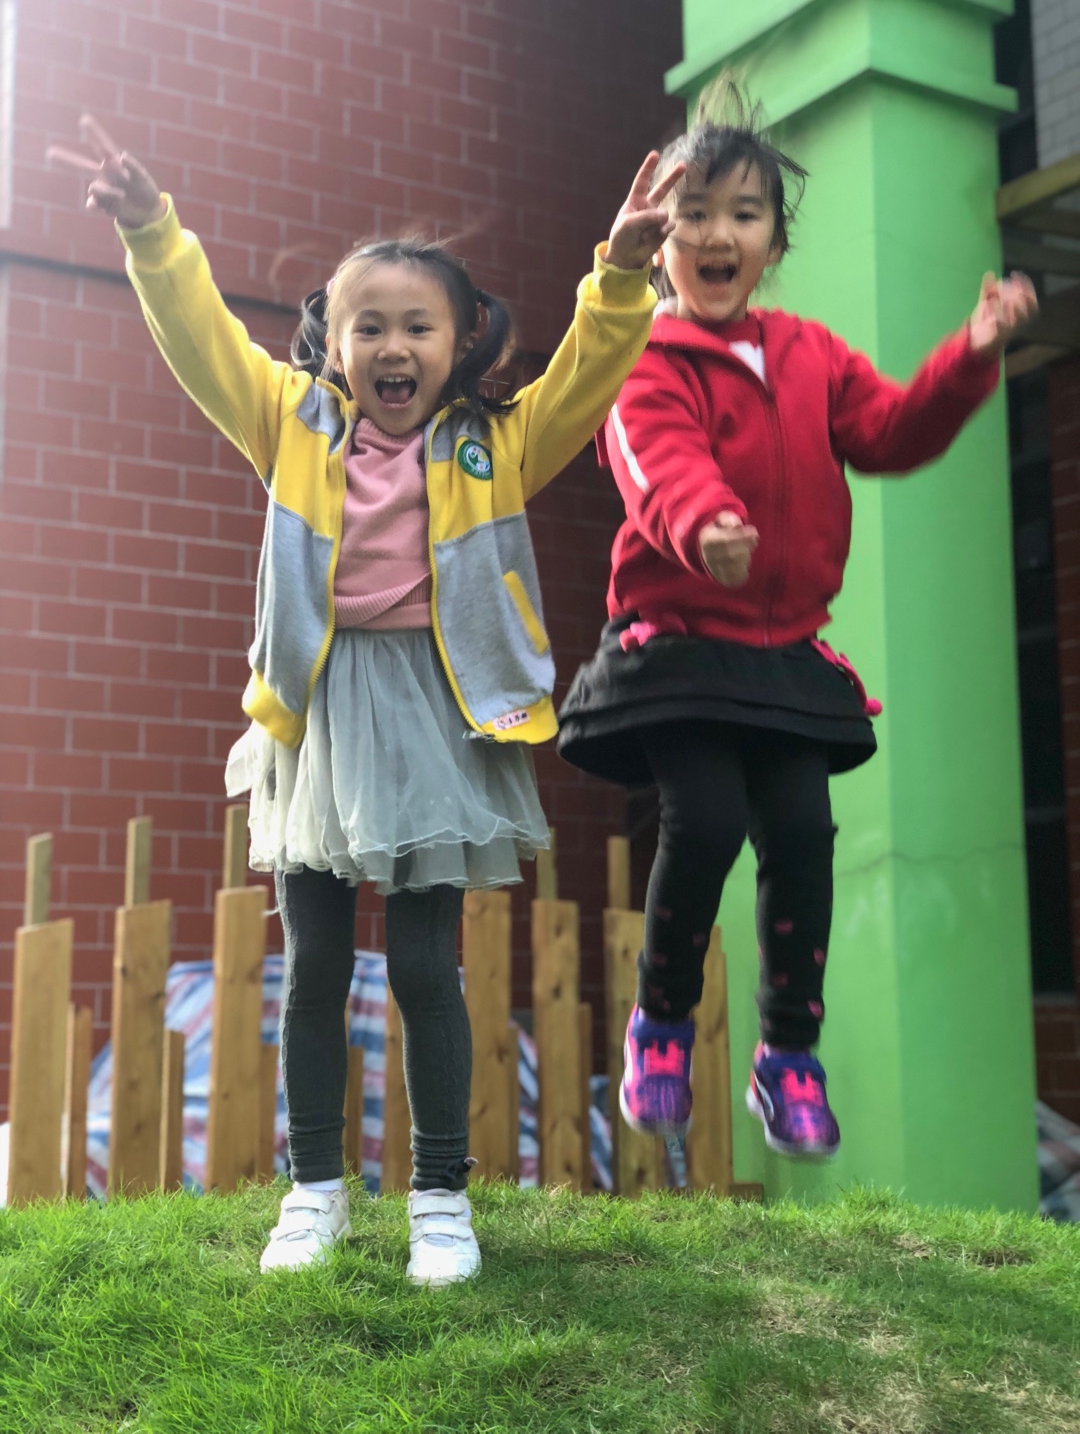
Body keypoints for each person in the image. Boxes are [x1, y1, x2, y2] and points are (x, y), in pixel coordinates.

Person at [68, 116, 683, 1282]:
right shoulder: (290, 427)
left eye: (417, 326)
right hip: (320, 715)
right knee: (311, 966)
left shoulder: (497, 444)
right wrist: (154, 234)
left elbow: (587, 375)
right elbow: (204, 342)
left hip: (439, 718)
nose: (393, 346)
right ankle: (315, 1192)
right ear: (334, 343)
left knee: (422, 966)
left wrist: (619, 275)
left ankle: (439, 1197)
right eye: (369, 327)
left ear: (460, 342)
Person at [557, 83, 1036, 1161]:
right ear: (662, 240)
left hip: (782, 654)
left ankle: (788, 1057)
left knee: (806, 835)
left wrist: (970, 353)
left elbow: (894, 432)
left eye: (744, 213)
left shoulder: (811, 353)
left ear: (774, 241)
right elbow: (651, 460)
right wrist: (705, 525)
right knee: (707, 818)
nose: (717, 234)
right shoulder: (644, 354)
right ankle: (661, 1028)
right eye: (694, 214)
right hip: (679, 641)